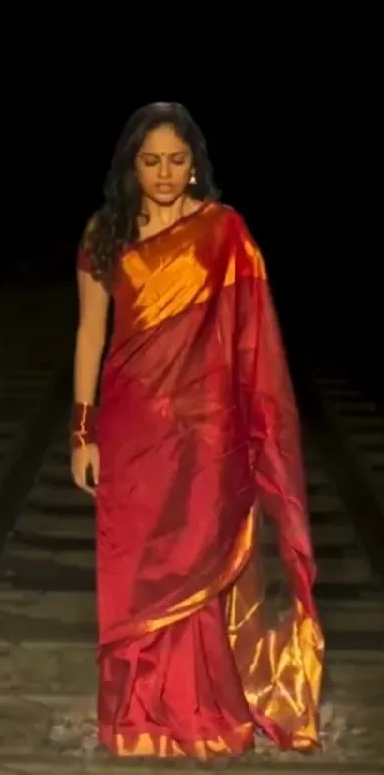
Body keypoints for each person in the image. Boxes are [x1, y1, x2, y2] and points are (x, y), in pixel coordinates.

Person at [70, 101, 324, 762]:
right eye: (149, 160)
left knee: (201, 559)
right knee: (135, 571)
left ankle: (203, 711)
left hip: (205, 430)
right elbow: (90, 333)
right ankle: (136, 714)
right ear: (130, 165)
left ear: (194, 167)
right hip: (130, 429)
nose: (162, 172)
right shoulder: (106, 234)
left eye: (175, 161)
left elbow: (249, 337)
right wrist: (81, 431)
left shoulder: (223, 233)